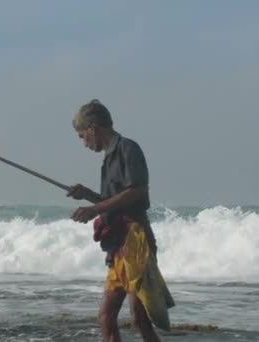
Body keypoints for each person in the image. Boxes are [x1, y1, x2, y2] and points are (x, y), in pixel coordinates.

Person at [67, 99, 174, 342]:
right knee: (106, 317)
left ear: (93, 127)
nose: (84, 144)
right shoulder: (107, 159)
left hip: (136, 242)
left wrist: (95, 208)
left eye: (83, 136)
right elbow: (114, 201)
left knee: (140, 318)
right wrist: (87, 194)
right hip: (118, 246)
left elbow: (138, 192)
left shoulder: (127, 149)